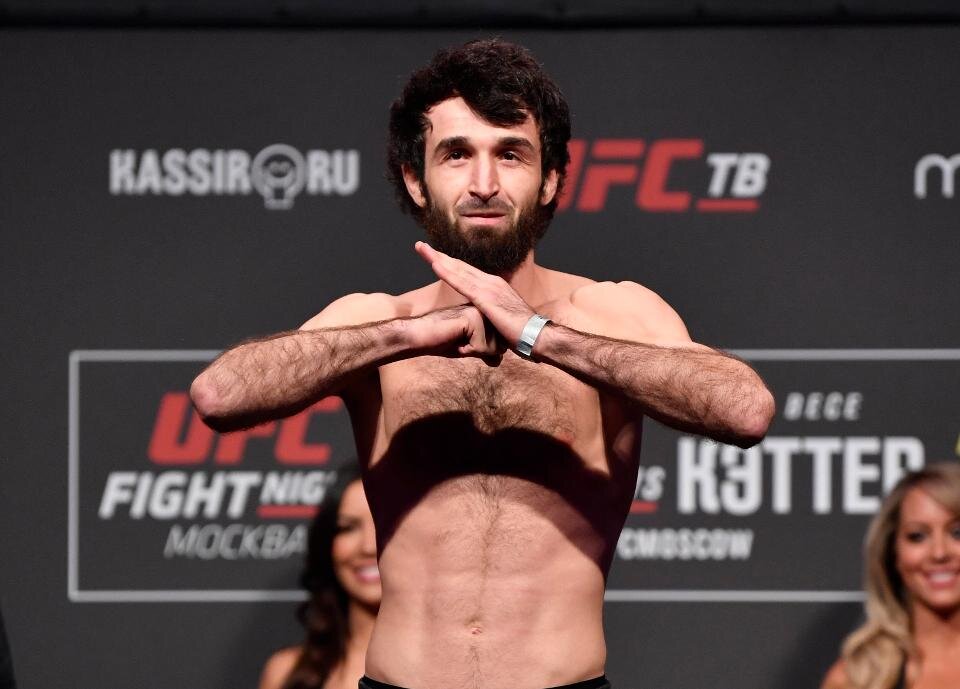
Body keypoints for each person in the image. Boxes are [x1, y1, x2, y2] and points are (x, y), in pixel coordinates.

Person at [192, 39, 774, 689]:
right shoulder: (381, 320)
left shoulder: (606, 313)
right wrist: (408, 335)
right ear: (416, 179)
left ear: (550, 179)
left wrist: (538, 334)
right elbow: (220, 394)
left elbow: (744, 409)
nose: (484, 183)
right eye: (457, 154)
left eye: (511, 153)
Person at [821, 462, 960, 689]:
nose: (939, 553)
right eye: (917, 536)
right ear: (893, 552)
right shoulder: (859, 677)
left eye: (957, 533)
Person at [259, 465, 380, 689]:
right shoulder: (285, 673)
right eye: (347, 528)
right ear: (327, 544)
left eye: (383, 525)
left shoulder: (446, 671)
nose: (368, 546)